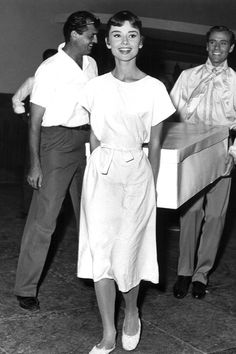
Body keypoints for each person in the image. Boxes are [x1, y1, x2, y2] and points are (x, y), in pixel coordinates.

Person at [77, 10, 175, 354]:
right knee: (99, 251)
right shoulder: (95, 87)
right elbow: (93, 137)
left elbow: (157, 144)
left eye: (131, 35)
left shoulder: (154, 88)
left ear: (141, 42)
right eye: (117, 35)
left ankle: (132, 311)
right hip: (101, 174)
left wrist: (153, 185)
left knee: (127, 252)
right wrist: (94, 174)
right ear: (106, 42)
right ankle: (107, 332)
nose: (124, 43)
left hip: (137, 174)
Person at [14, 11, 100, 311]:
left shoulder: (91, 64)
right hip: (56, 143)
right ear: (75, 34)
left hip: (86, 140)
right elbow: (34, 120)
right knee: (44, 220)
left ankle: (95, 275)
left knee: (91, 214)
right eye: (91, 34)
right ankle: (26, 287)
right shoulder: (50, 69)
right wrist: (35, 163)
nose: (95, 40)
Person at [170, 25, 236, 300]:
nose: (217, 48)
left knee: (216, 216)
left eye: (223, 43)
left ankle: (201, 274)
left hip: (223, 152)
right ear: (206, 46)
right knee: (191, 213)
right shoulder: (187, 76)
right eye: (213, 43)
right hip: (193, 153)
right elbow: (170, 113)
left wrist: (234, 153)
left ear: (231, 48)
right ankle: (184, 272)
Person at [12, 49, 58, 218]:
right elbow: (16, 99)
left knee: (52, 170)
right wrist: (25, 117)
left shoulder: (63, 82)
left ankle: (48, 209)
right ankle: (27, 208)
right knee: (31, 165)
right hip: (36, 129)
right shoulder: (34, 80)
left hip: (55, 132)